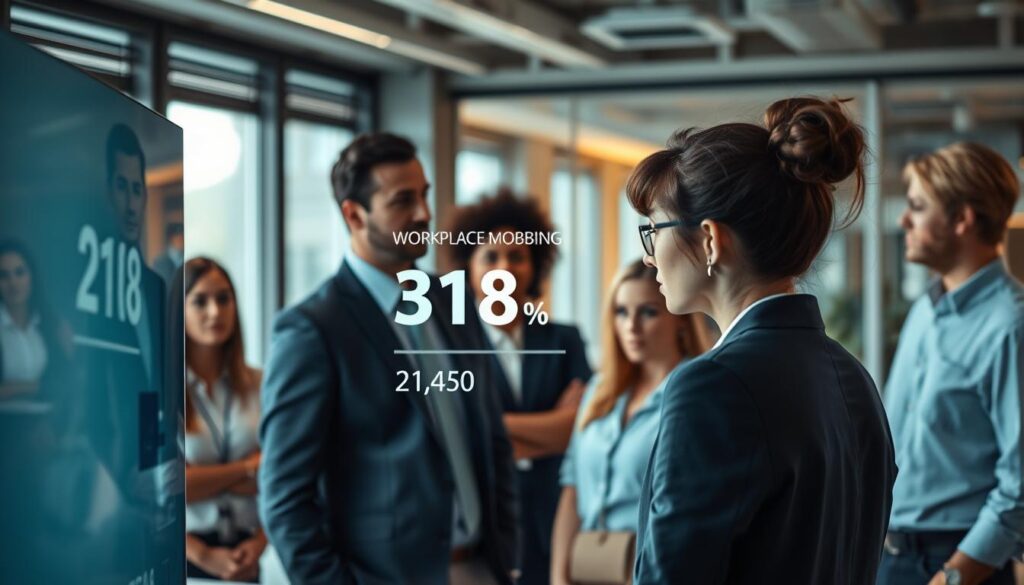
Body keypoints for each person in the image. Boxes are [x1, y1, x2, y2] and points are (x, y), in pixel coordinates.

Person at [626, 96, 897, 584]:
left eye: (654, 230)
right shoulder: (852, 376)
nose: (649, 256)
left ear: (710, 239)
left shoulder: (712, 386)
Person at [259, 132, 518, 585]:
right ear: (353, 214)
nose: (424, 214)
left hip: (482, 567)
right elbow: (284, 497)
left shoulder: (453, 299)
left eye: (424, 195)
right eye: (403, 201)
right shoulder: (313, 329)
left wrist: (507, 547)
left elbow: (491, 435)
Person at [880, 142, 1024, 585]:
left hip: (956, 565)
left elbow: (1020, 484)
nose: (904, 220)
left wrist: (954, 577)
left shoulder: (1011, 325)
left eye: (918, 207)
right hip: (889, 555)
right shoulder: (925, 308)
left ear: (962, 220)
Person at [445, 190, 592, 585]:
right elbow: (451, 435)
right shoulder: (449, 347)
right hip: (483, 526)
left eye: (517, 256)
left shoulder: (565, 338)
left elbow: (580, 429)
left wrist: (484, 426)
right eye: (490, 256)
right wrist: (550, 426)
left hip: (556, 522)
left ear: (536, 267)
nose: (503, 267)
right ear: (469, 267)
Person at [550, 259, 710, 585]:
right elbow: (572, 490)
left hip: (651, 572)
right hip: (584, 569)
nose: (631, 326)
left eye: (648, 312)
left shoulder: (695, 395)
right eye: (621, 312)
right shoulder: (599, 390)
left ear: (680, 320)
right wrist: (558, 578)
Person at [182, 257, 266, 582]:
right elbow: (169, 489)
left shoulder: (263, 384)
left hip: (248, 557)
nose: (215, 312)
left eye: (223, 298)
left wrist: (259, 545)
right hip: (187, 558)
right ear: (181, 311)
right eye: (200, 301)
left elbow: (279, 478)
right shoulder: (165, 390)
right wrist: (247, 469)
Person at [0, 238, 70, 399]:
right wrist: (36, 387)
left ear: (31, 276)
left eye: (19, 272)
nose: (13, 283)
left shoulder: (51, 325)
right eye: (3, 275)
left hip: (46, 421)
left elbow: (64, 383)